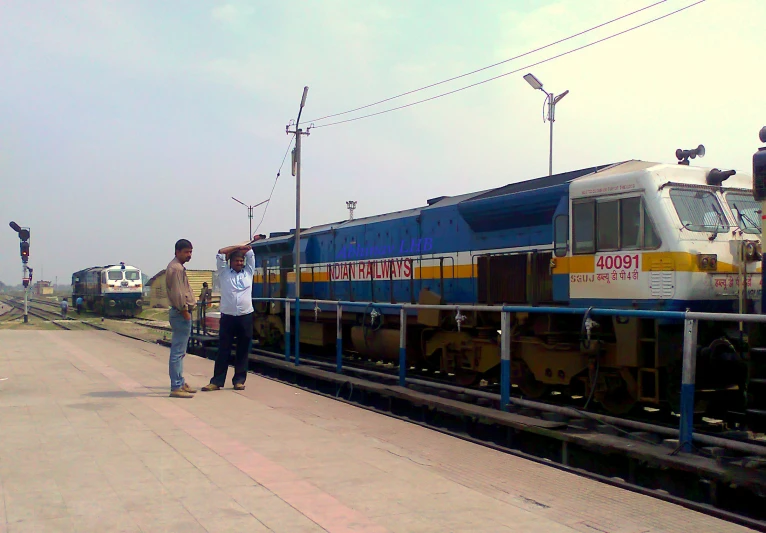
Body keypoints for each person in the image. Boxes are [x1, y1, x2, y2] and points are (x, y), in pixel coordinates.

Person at [202, 243, 255, 392]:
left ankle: (239, 380)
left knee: (243, 349)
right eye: (236, 260)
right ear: (230, 262)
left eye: (241, 260)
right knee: (223, 349)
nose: (239, 263)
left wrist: (244, 249)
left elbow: (250, 251)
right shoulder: (224, 273)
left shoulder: (249, 272)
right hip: (228, 317)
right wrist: (238, 247)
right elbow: (220, 253)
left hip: (245, 316)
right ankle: (217, 381)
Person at [165, 239, 197, 398]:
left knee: (180, 352)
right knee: (178, 352)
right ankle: (176, 386)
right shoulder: (176, 269)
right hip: (180, 313)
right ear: (177, 252)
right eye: (186, 252)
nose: (189, 255)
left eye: (190, 252)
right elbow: (178, 294)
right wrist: (185, 311)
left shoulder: (177, 267)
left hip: (180, 312)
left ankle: (180, 381)